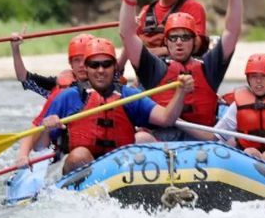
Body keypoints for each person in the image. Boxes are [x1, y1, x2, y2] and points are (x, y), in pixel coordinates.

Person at [120, 0, 243, 142]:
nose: (179, 42)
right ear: (166, 42)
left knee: (232, 141)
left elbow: (232, 31)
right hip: (163, 138)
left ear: (194, 41)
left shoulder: (209, 67)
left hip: (201, 137)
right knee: (140, 139)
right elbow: (127, 34)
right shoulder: (154, 68)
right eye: (173, 38)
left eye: (185, 37)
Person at [34, 37, 195, 173]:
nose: (101, 70)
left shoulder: (128, 96)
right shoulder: (69, 97)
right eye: (94, 65)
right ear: (87, 68)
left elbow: (167, 118)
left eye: (106, 64)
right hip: (80, 167)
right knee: (80, 155)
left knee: (144, 139)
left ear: (114, 67)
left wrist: (180, 93)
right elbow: (39, 147)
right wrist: (46, 129)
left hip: (119, 166)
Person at [12, 32, 93, 165]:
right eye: (76, 60)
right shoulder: (61, 90)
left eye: (85, 60)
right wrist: (15, 49)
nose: (81, 65)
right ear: (71, 64)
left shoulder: (110, 83)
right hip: (67, 153)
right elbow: (24, 78)